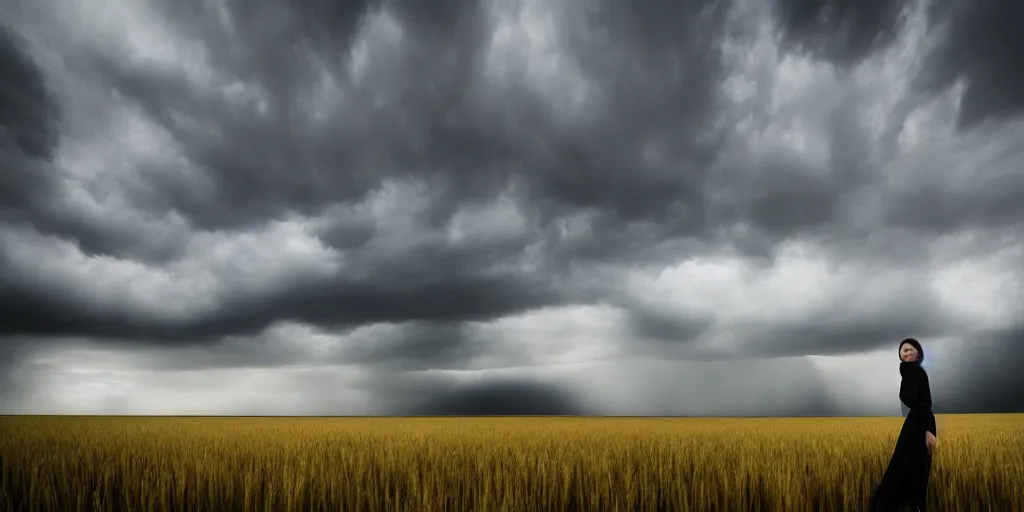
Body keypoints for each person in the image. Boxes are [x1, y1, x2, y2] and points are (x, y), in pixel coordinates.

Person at [870, 338, 937, 511]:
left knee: (906, 466)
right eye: (903, 351)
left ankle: (887, 505)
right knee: (914, 467)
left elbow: (913, 399)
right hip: (919, 422)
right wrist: (929, 426)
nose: (905, 353)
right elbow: (910, 398)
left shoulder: (913, 370)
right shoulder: (912, 370)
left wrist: (928, 428)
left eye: (909, 350)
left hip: (919, 423)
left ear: (918, 353)